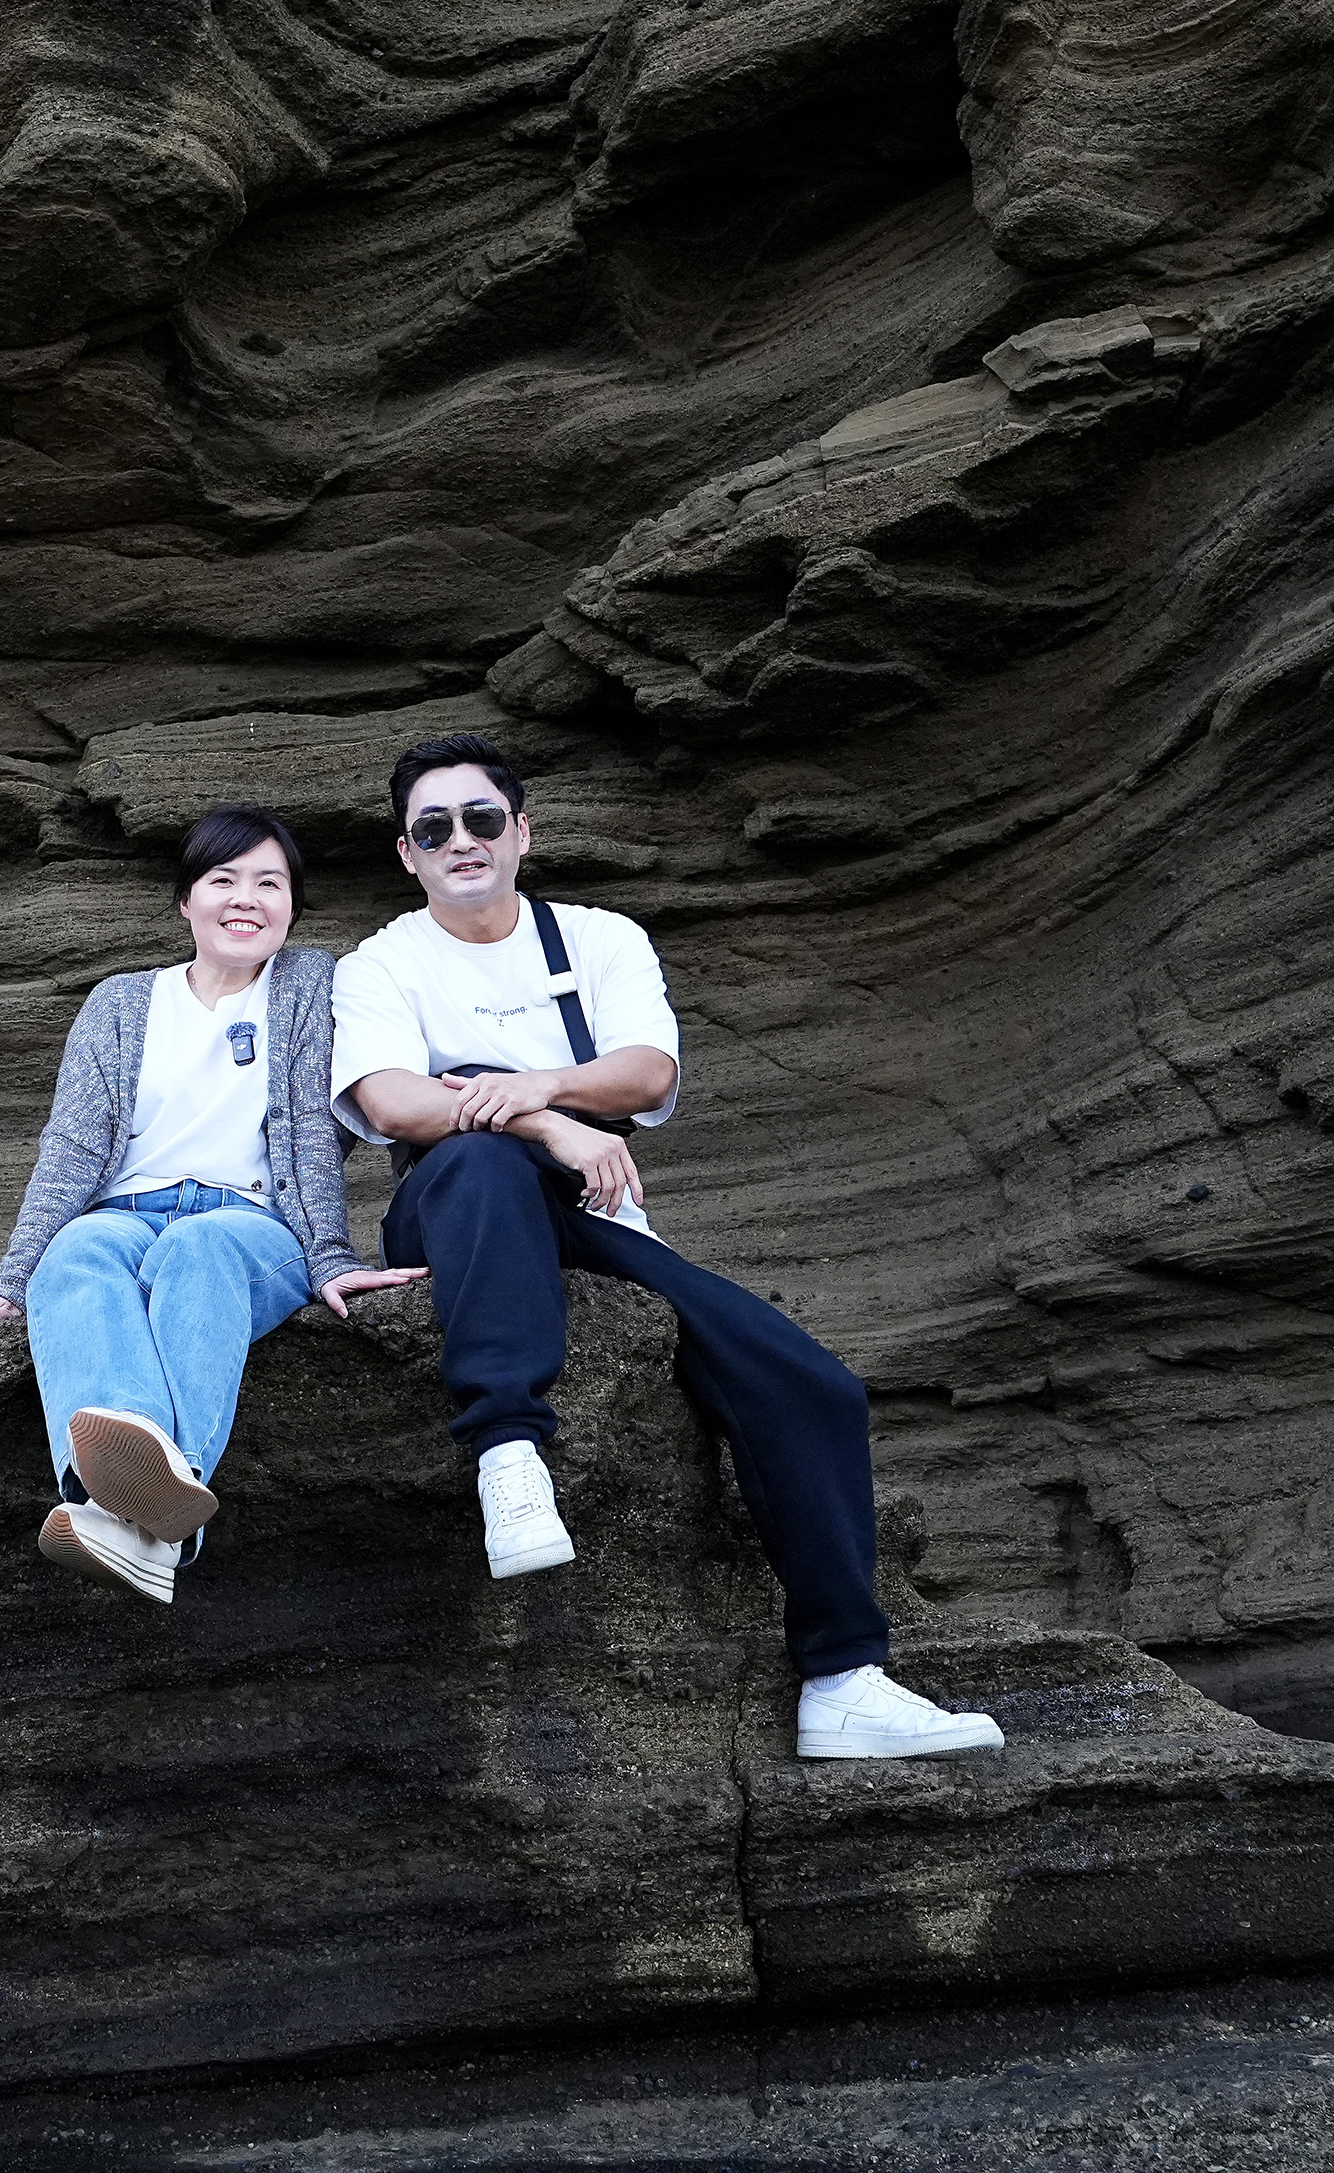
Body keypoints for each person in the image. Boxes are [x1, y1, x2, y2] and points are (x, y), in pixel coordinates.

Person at [330, 731, 1004, 1760]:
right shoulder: (383, 961)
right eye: (433, 828)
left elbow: (647, 1072)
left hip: (592, 1217)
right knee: (481, 1161)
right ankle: (508, 1451)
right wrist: (546, 1123)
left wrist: (544, 1086)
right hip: (456, 1205)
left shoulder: (597, 939)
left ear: (521, 832)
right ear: (406, 853)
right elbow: (389, 1101)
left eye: (480, 818)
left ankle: (843, 1681)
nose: (460, 840)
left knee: (811, 1386)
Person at [0, 805, 424, 1605]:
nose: (246, 898)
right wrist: (10, 1285)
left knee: (199, 1248)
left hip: (254, 1224)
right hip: (125, 1212)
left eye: (270, 883)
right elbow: (71, 1154)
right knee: (74, 1254)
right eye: (223, 880)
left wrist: (330, 1257)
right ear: (186, 900)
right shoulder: (120, 1003)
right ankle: (146, 1523)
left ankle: (143, 1493)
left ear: (293, 905)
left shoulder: (310, 986)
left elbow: (309, 1131)